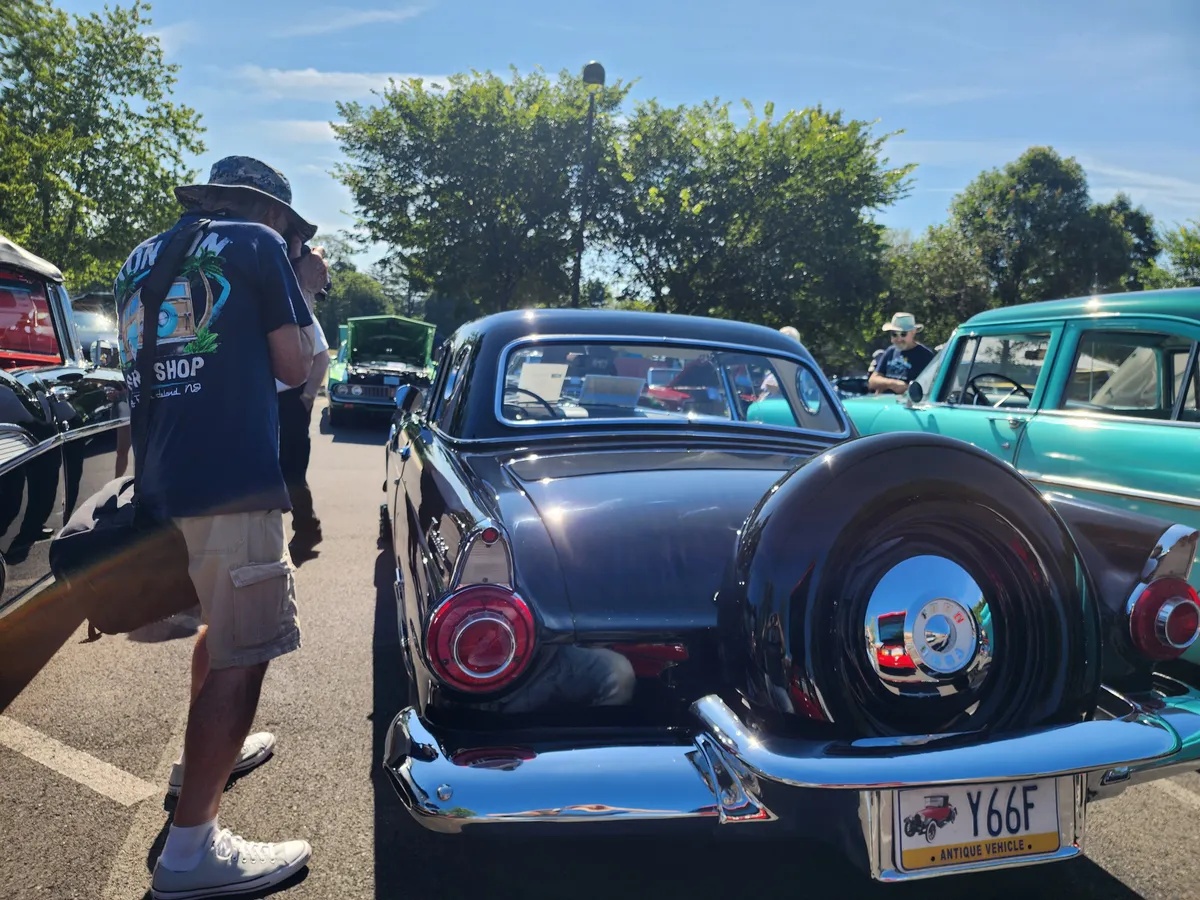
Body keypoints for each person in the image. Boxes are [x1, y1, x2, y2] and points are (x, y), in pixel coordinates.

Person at [113, 155, 317, 899]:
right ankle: (192, 851)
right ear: (272, 216)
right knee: (245, 653)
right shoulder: (256, 246)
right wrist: (303, 287)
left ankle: (208, 762)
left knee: (218, 631)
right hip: (234, 483)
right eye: (289, 230)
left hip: (166, 487)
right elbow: (297, 369)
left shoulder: (138, 257)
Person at [277, 244, 330, 560]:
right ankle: (303, 527)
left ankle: (307, 529)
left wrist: (308, 397)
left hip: (291, 400)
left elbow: (321, 359)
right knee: (280, 469)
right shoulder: (289, 309)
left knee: (292, 470)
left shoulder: (301, 312)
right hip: (277, 400)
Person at [868, 312, 934, 395]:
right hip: (884, 403)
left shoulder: (926, 356)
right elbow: (872, 381)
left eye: (903, 334)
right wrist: (894, 384)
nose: (898, 339)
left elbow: (930, 388)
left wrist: (906, 389)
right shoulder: (890, 351)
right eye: (894, 334)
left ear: (913, 332)